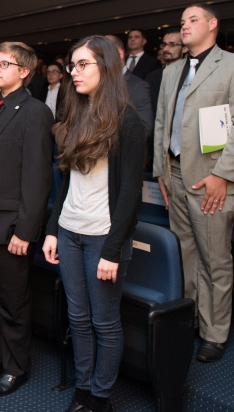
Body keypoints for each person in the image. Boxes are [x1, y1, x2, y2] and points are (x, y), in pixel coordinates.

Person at [43, 36, 145, 412]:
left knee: (104, 322)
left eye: (83, 64)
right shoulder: (76, 114)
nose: (74, 71)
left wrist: (113, 250)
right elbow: (67, 182)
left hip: (104, 237)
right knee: (78, 318)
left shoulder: (128, 121)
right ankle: (83, 388)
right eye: (72, 65)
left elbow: (130, 193)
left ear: (106, 66)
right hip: (69, 230)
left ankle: (101, 397)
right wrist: (52, 230)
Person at [153, 4, 234, 363]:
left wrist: (222, 176)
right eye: (182, 22)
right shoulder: (172, 70)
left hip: (212, 178)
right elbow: (161, 123)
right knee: (185, 254)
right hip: (175, 174)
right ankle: (193, 320)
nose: (184, 26)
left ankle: (215, 333)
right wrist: (160, 171)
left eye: (193, 20)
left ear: (213, 24)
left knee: (214, 259)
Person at [0, 42, 53, 397]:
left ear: (25, 71)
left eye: (4, 64)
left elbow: (37, 178)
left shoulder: (36, 112)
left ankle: (16, 367)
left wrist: (25, 231)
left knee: (14, 302)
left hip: (12, 227)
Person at [106, 35, 152, 138]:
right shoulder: (96, 84)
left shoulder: (138, 86)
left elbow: (144, 128)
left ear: (119, 54)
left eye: (103, 54)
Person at [145, 27, 185, 119]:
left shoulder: (191, 75)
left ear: (184, 48)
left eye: (172, 44)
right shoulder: (152, 77)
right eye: (164, 44)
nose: (166, 48)